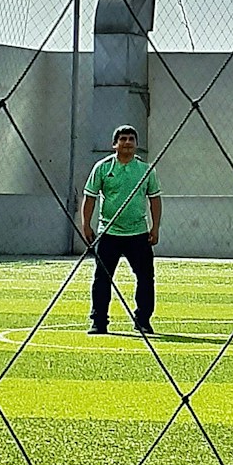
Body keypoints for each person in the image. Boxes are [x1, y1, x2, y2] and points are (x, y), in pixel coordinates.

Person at [80, 124, 160, 336]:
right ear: (114, 144)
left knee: (145, 278)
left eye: (131, 139)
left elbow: (155, 199)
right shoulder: (102, 168)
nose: (127, 143)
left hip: (138, 233)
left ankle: (143, 320)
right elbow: (90, 197)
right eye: (123, 139)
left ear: (136, 144)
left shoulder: (146, 170)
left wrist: (155, 227)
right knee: (102, 278)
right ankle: (99, 321)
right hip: (109, 232)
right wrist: (86, 225)